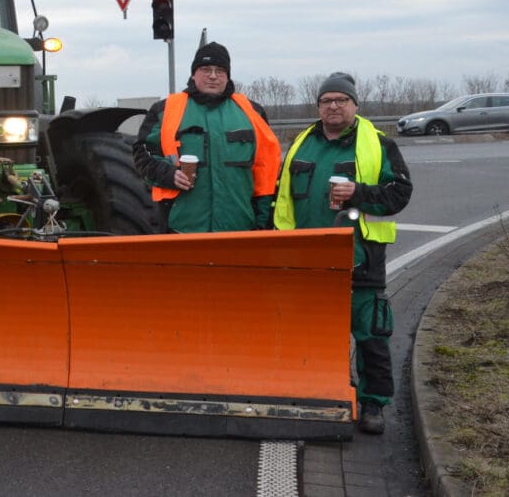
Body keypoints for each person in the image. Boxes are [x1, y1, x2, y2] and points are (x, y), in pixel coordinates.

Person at [273, 72, 413, 435]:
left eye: (341, 100)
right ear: (318, 106)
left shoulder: (378, 144)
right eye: (326, 101)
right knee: (319, 335)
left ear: (355, 104)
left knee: (371, 337)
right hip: (310, 262)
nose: (333, 106)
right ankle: (333, 393)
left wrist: (358, 193)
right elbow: (283, 201)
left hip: (360, 260)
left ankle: (373, 404)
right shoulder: (301, 144)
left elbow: (400, 193)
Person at [132, 42, 281, 232]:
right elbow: (142, 153)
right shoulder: (165, 109)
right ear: (194, 74)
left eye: (219, 70)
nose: (212, 76)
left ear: (227, 76)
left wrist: (262, 225)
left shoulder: (252, 112)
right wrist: (168, 174)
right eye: (205, 69)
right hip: (181, 228)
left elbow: (266, 171)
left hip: (240, 228)